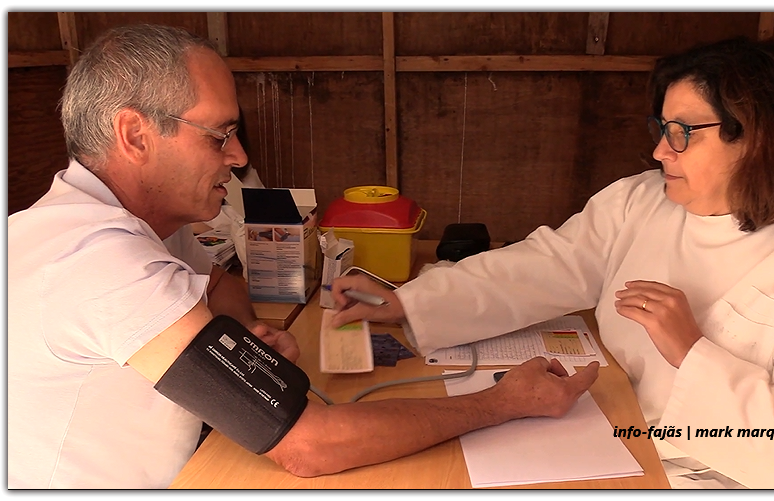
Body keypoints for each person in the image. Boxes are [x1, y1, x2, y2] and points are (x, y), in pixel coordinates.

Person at [7, 24, 600, 489]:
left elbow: (221, 289)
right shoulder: (98, 261)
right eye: (220, 134)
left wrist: (240, 339)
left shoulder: (132, 225)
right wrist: (502, 402)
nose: (237, 157)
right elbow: (311, 446)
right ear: (135, 136)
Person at [330, 36, 774, 489]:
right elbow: (544, 267)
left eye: (682, 132)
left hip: (700, 476)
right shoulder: (642, 201)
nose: (659, 151)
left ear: (755, 139)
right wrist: (409, 300)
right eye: (661, 127)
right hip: (607, 428)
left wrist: (694, 354)